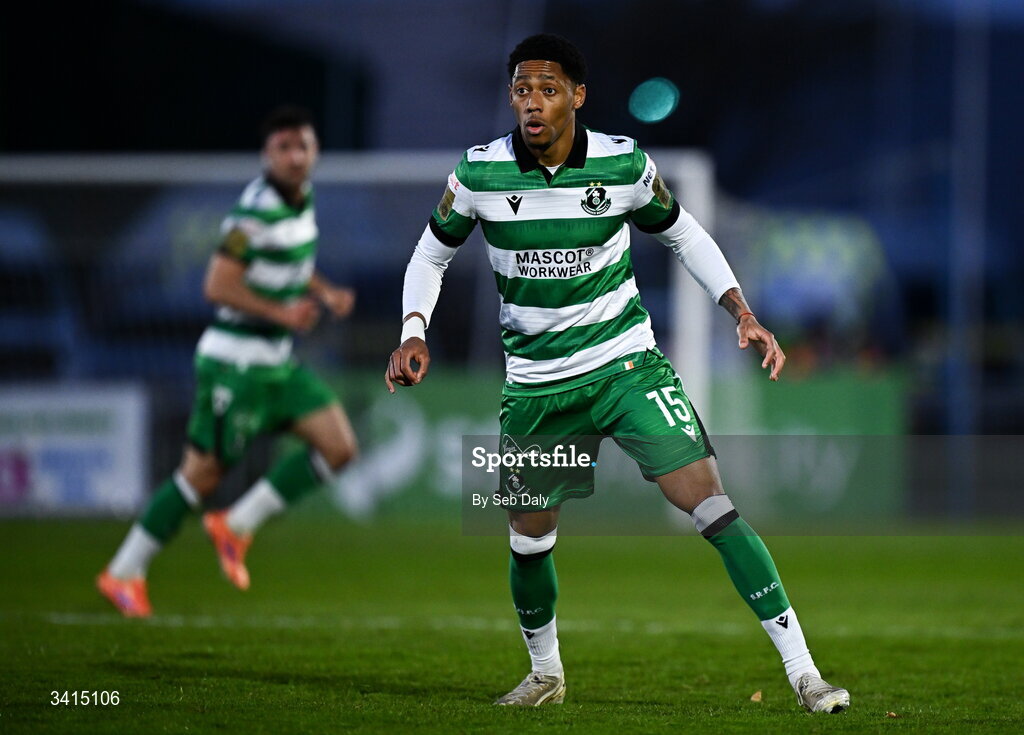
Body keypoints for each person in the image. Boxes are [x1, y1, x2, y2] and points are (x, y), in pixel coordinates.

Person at [385, 35, 850, 713]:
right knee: (528, 536)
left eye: (547, 90)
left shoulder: (624, 163)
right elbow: (430, 255)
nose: (532, 103)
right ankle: (545, 673)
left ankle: (805, 673)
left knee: (710, 503)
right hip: (537, 386)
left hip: (624, 366)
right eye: (522, 90)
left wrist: (741, 310)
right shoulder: (480, 173)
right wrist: (413, 330)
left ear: (577, 96)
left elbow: (683, 233)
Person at [98, 106, 358, 617]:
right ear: (266, 155)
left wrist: (324, 291)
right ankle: (123, 571)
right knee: (201, 476)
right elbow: (217, 284)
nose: (295, 156)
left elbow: (289, 262)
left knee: (339, 448)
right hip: (234, 363)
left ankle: (235, 525)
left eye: (303, 146)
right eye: (283, 147)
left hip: (276, 362)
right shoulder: (250, 215)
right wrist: (282, 313)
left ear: (315, 152)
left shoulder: (303, 198)